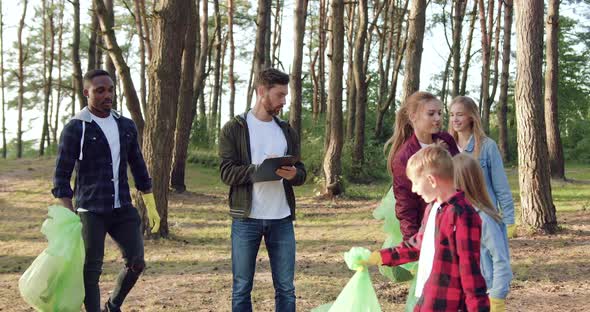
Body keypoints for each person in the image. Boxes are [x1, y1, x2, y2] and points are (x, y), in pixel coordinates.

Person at [52, 69, 160, 312]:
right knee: (91, 271)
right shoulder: (76, 128)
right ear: (86, 93)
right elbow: (61, 177)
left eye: (110, 89)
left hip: (122, 207)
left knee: (136, 262)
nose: (107, 95)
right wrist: (69, 217)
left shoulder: (125, 125)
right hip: (90, 210)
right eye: (100, 90)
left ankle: (113, 306)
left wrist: (150, 202)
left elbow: (138, 166)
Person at [219, 68, 307, 312]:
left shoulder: (286, 131)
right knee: (241, 287)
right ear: (261, 92)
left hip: (281, 219)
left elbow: (300, 170)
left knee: (286, 288)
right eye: (279, 95)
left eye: (285, 96)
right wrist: (259, 170)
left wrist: (295, 174)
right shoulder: (234, 129)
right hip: (246, 220)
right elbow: (226, 173)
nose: (283, 101)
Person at [365, 145, 490, 311]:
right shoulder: (433, 208)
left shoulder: (462, 215)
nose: (413, 189)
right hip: (429, 297)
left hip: (450, 304)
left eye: (416, 183)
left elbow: (470, 270)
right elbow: (417, 245)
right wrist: (379, 257)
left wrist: (478, 308)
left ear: (431, 180)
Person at [384, 91, 459, 241]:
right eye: (431, 114)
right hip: (427, 227)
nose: (437, 118)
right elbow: (406, 205)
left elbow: (461, 176)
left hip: (455, 217)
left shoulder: (446, 140)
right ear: (413, 117)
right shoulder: (403, 157)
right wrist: (412, 241)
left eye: (439, 113)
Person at [449, 96, 516, 237]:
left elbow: (501, 186)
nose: (455, 119)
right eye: (452, 115)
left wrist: (509, 221)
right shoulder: (446, 148)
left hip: (485, 219)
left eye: (460, 115)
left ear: (471, 117)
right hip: (455, 220)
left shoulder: (488, 146)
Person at [453, 153, 513, 312]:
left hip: (484, 296)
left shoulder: (485, 220)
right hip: (462, 296)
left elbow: (501, 260)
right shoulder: (454, 215)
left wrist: (497, 297)